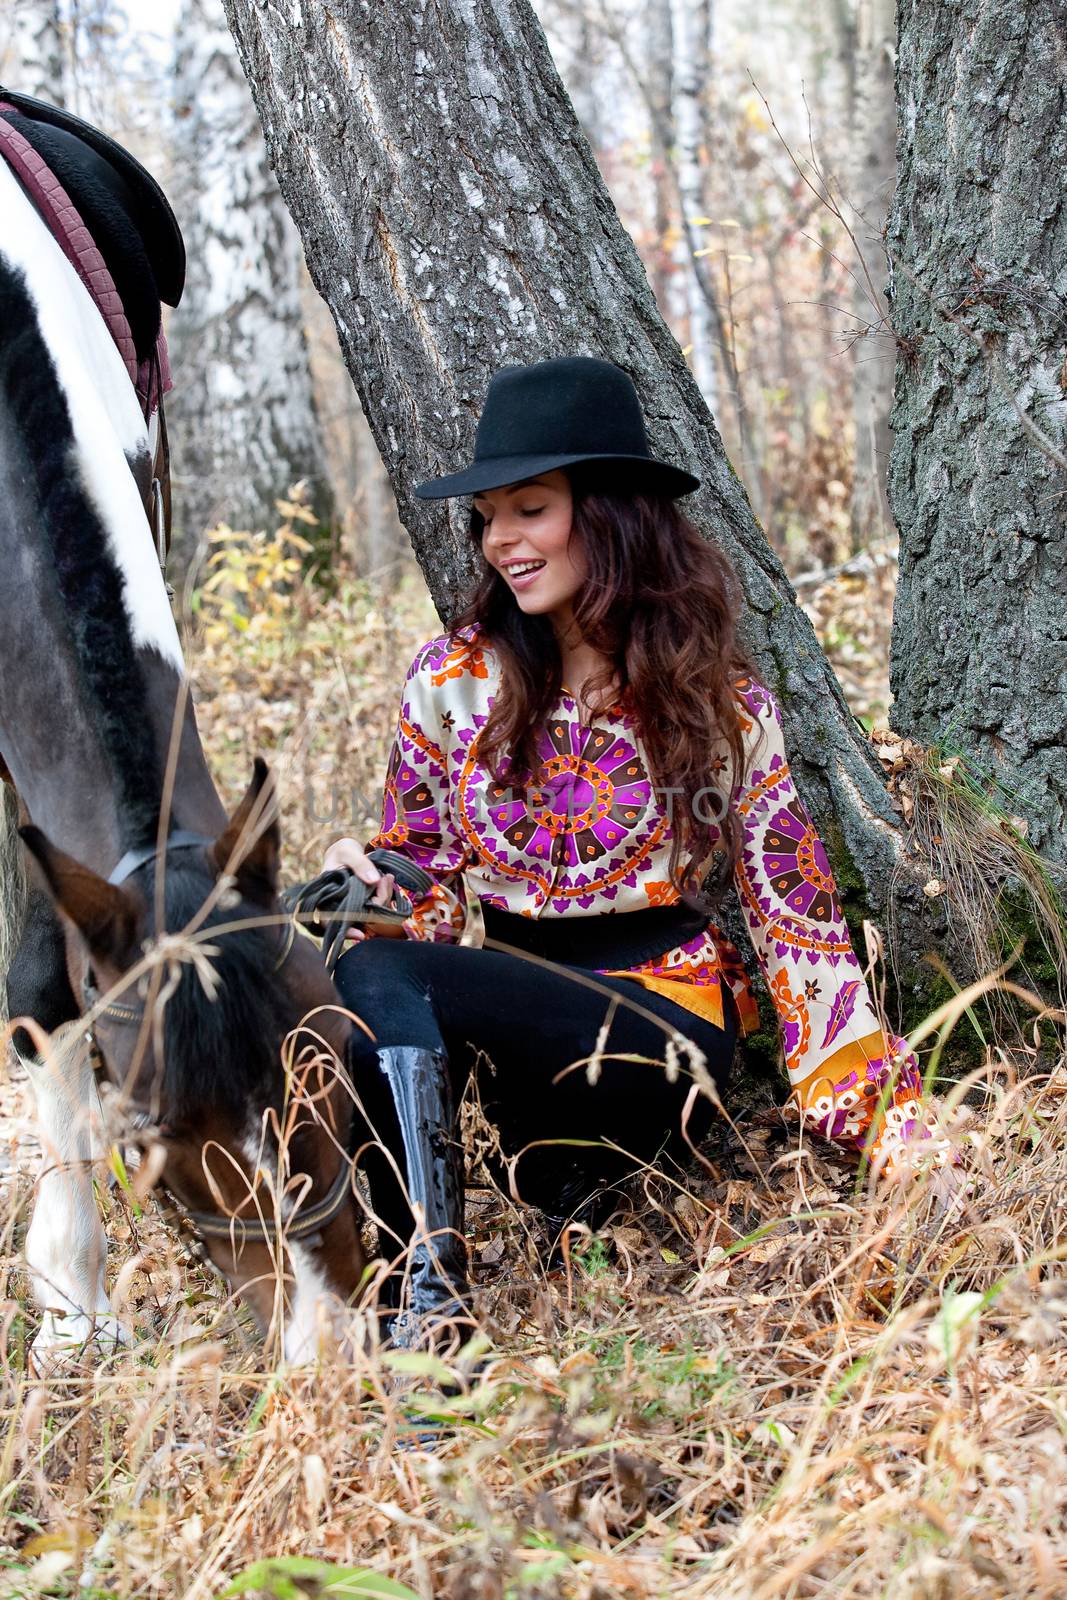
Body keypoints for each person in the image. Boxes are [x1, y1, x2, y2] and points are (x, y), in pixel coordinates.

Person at [325, 356, 952, 1342]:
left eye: (528, 508)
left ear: (608, 515)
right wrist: (363, 877)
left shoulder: (719, 705)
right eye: (487, 516)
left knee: (382, 972)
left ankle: (427, 1320)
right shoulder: (452, 680)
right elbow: (423, 873)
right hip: (510, 1036)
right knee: (347, 975)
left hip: (661, 1038)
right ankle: (382, 1281)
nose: (499, 541)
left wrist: (893, 1134)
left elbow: (799, 924)